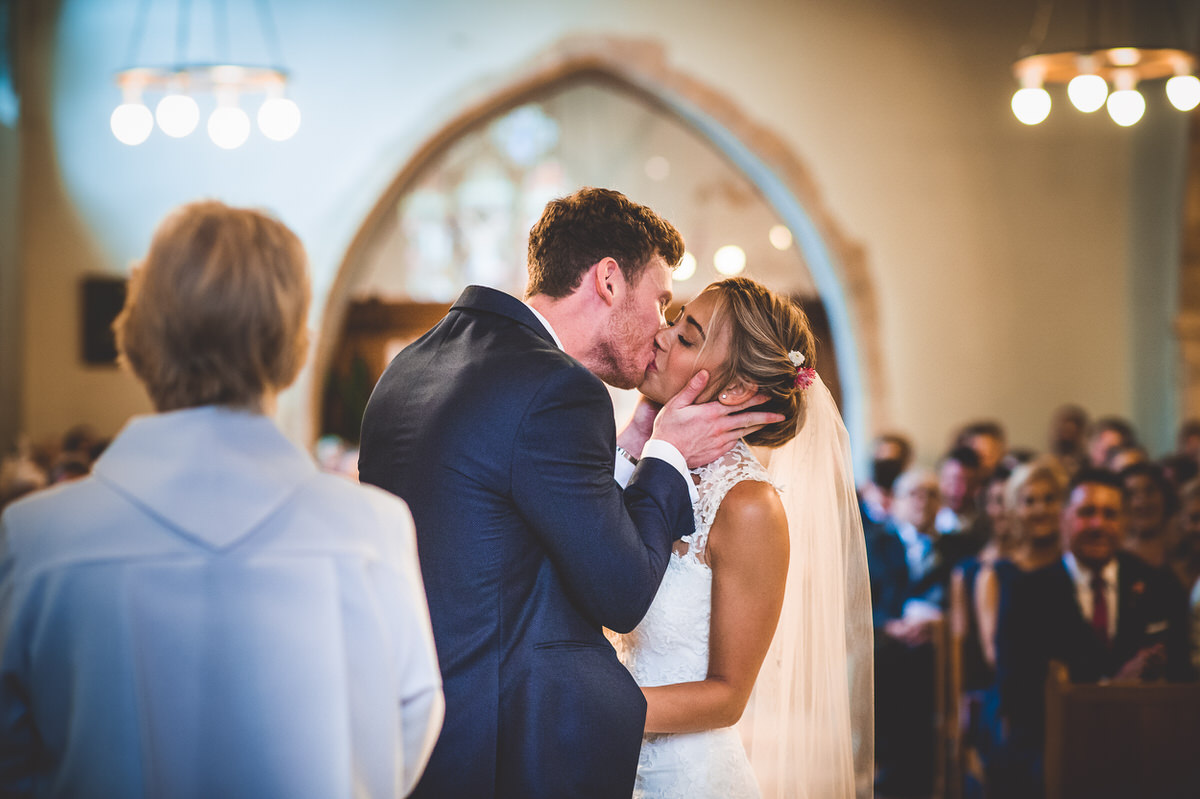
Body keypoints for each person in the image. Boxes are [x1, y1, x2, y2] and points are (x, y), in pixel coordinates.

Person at [0, 201, 444, 798]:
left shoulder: (35, 541)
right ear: (294, 344)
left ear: (135, 333)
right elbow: (405, 734)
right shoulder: (372, 531)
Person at [358, 188, 783, 799]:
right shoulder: (560, 390)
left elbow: (512, 526)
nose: (662, 329)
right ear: (609, 281)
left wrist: (636, 444)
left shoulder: (415, 363)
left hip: (414, 730)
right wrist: (666, 455)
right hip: (500, 752)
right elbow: (621, 594)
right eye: (661, 300)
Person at [613, 276, 872, 798]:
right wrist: (636, 443)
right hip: (608, 769)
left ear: (734, 390)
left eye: (687, 338)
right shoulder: (649, 466)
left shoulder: (751, 505)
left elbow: (727, 696)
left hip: (686, 780)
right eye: (674, 322)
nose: (661, 337)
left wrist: (590, 709)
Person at [994, 468, 1194, 797]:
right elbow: (1016, 694)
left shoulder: (1160, 585)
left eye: (1110, 514)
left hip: (1146, 743)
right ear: (1064, 518)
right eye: (1087, 513)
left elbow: (1182, 678)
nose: (1098, 525)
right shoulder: (1026, 593)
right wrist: (1111, 688)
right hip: (1055, 748)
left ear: (1125, 522)